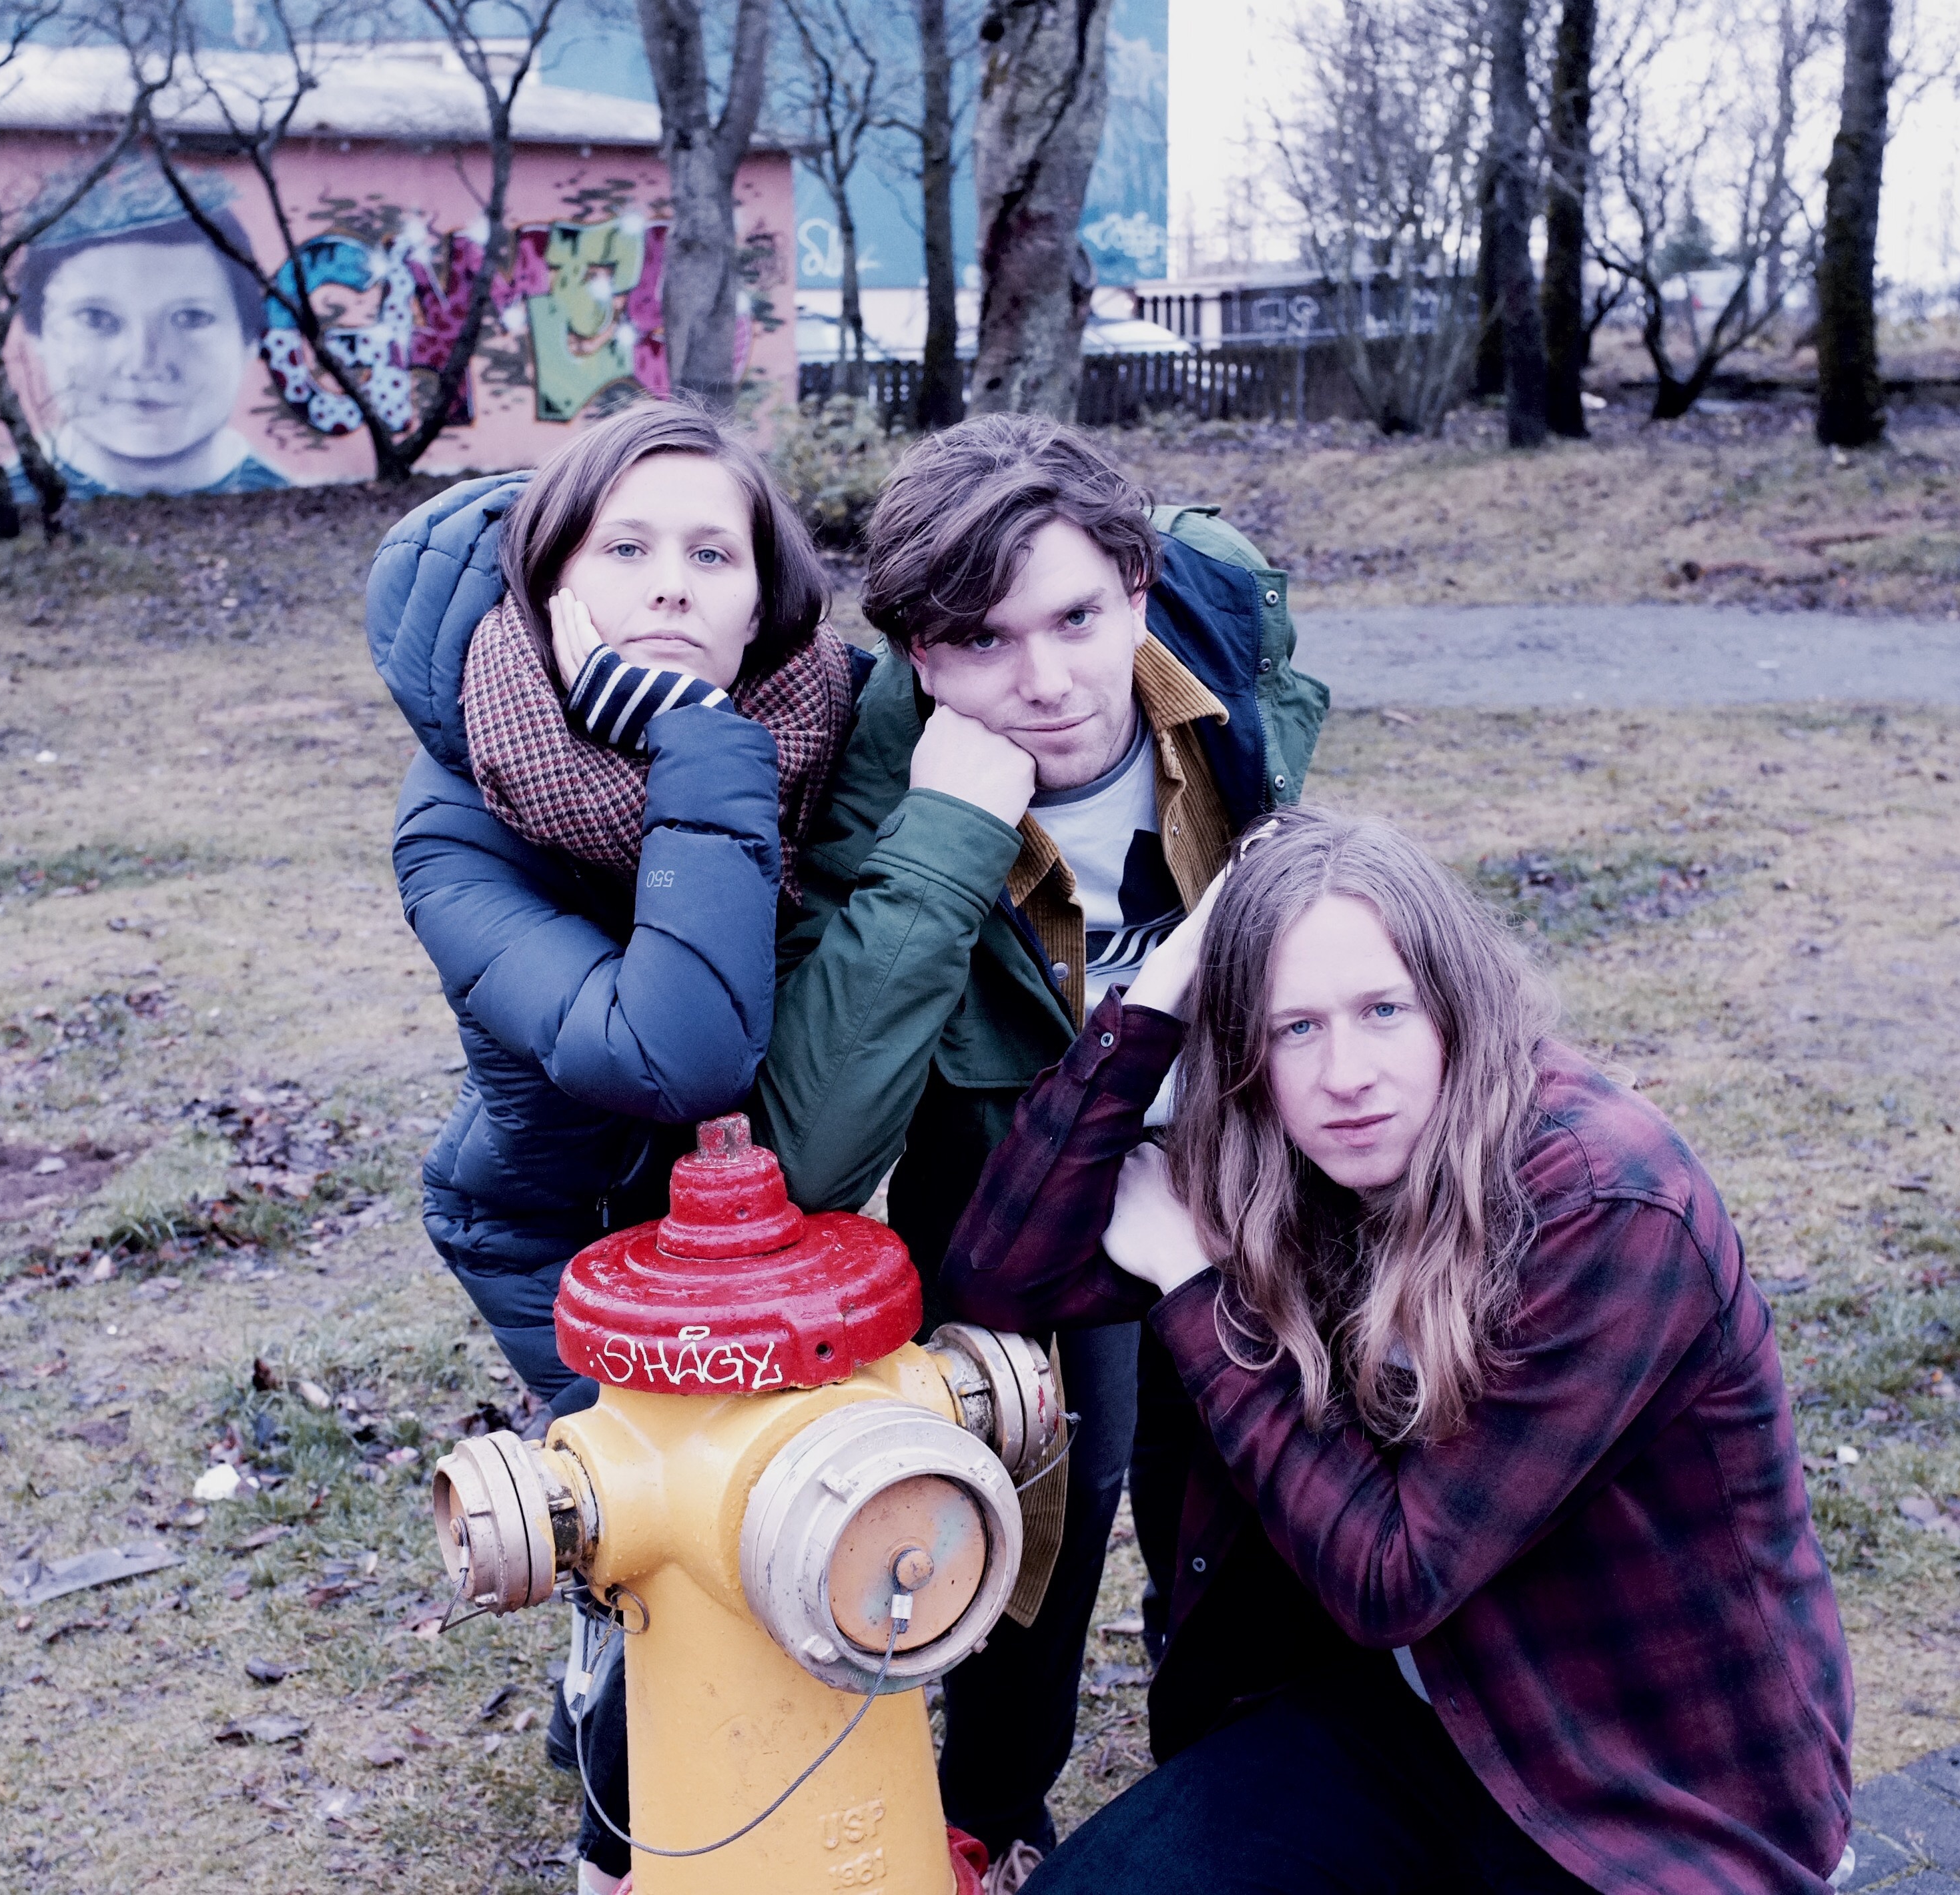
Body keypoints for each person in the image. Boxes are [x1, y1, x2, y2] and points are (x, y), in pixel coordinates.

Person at [938, 807, 1855, 1894]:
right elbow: (1000, 1274)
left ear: (1453, 1008)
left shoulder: (1603, 1205)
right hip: (1398, 1720)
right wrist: (1156, 994)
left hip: (1629, 1778)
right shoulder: (1274, 1160)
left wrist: (1193, 1289)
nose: (1345, 1076)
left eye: (1381, 1011)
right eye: (1292, 1029)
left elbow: (1394, 1576)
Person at [753, 412, 1327, 1860]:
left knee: (1271, 1484)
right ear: (915, 656)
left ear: (1134, 586)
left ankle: (1241, 1784)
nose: (1049, 679)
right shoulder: (873, 771)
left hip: (1237, 1154)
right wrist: (948, 835)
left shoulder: (1216, 621)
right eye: (982, 641)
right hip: (1016, 1177)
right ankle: (989, 1815)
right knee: (1034, 1505)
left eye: (1076, 616)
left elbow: (1285, 780)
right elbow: (814, 1150)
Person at [366, 399, 859, 1892]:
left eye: (712, 551)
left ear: (766, 595)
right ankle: (618, 1853)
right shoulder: (455, 823)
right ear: (548, 578)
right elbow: (676, 1048)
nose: (668, 584)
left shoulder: (828, 727)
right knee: (675, 1555)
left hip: (760, 1225)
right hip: (563, 1235)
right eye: (625, 545)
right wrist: (701, 750)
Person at [13, 172, 290, 498]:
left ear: (249, 340)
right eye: (97, 319)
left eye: (190, 318)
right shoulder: (3, 506)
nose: (143, 363)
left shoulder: (294, 511)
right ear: (37, 338)